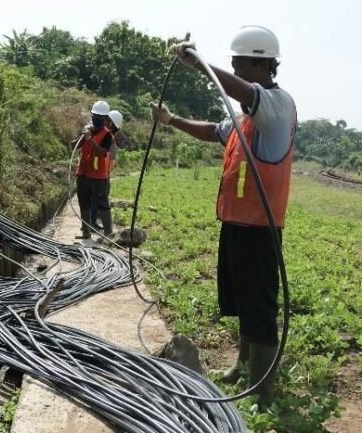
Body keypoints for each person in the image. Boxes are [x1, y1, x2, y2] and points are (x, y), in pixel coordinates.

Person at [150, 26, 296, 407]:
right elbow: (214, 131)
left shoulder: (277, 106)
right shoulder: (244, 118)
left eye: (238, 63)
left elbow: (245, 92)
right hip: (235, 224)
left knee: (260, 307)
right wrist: (171, 120)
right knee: (240, 300)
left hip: (260, 229)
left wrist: (200, 64)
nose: (233, 70)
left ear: (260, 63)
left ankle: (263, 390)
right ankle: (241, 365)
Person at [74, 100, 115, 239]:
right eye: (95, 115)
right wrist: (82, 135)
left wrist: (90, 139)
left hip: (98, 176)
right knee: (83, 202)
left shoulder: (108, 135)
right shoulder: (87, 131)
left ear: (105, 119)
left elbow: (102, 152)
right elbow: (73, 146)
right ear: (92, 115)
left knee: (102, 203)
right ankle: (86, 233)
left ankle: (109, 235)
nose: (96, 119)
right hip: (83, 174)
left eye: (100, 117)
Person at [91, 110, 123, 230]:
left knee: (98, 197)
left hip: (102, 170)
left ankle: (93, 221)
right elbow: (107, 155)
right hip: (101, 171)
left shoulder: (105, 135)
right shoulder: (106, 135)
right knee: (100, 197)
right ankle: (97, 225)